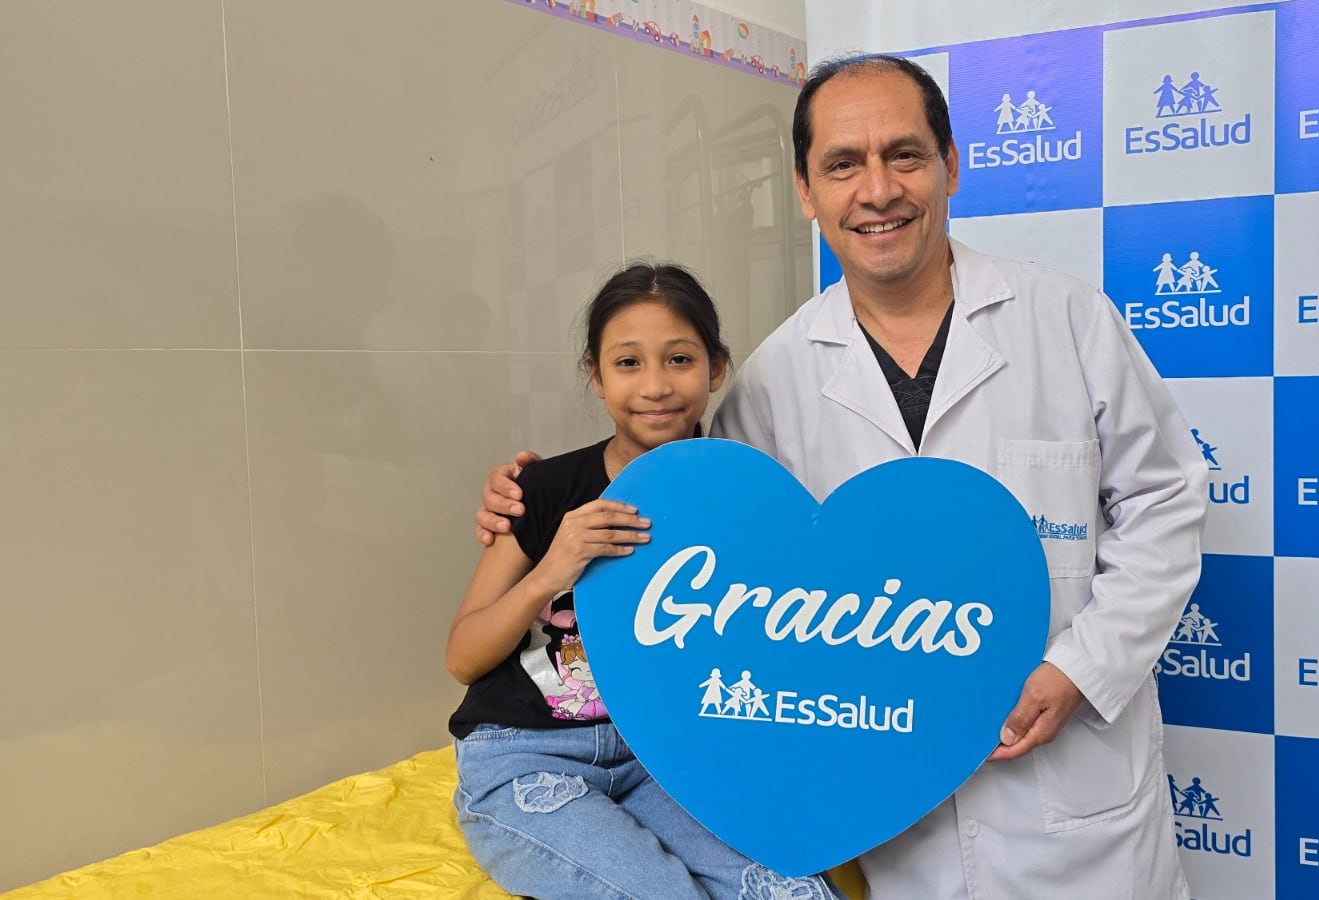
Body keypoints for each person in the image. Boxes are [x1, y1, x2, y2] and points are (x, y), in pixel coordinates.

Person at [478, 54, 1207, 900]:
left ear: (950, 165)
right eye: (843, 164)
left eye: (905, 155)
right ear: (805, 190)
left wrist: (1083, 669)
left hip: (1072, 803)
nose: (878, 190)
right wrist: (531, 500)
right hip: (883, 809)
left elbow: (1164, 503)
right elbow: (703, 537)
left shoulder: (1068, 321)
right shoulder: (773, 380)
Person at [446, 263, 835, 900]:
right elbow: (463, 656)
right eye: (628, 363)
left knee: (792, 892)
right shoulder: (543, 490)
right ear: (597, 377)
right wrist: (551, 570)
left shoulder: (744, 499)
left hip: (665, 759)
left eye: (679, 359)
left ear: (716, 368)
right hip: (524, 755)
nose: (655, 385)